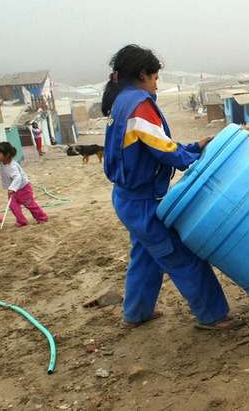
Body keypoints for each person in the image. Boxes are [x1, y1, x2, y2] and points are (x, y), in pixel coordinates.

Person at [101, 44, 236, 329]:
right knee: (181, 255)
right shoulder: (139, 104)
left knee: (146, 255)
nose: (156, 84)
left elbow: (148, 147)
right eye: (155, 77)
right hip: (144, 203)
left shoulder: (122, 102)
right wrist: (192, 159)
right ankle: (213, 316)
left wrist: (192, 147)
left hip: (127, 199)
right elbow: (164, 151)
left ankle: (136, 314)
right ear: (143, 75)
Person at [0, 142, 48, 227]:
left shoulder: (12, 166)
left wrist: (12, 188)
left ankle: (42, 217)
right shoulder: (3, 162)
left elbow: (18, 178)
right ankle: (21, 221)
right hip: (13, 190)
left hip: (23, 188)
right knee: (13, 206)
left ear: (7, 155)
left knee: (30, 204)